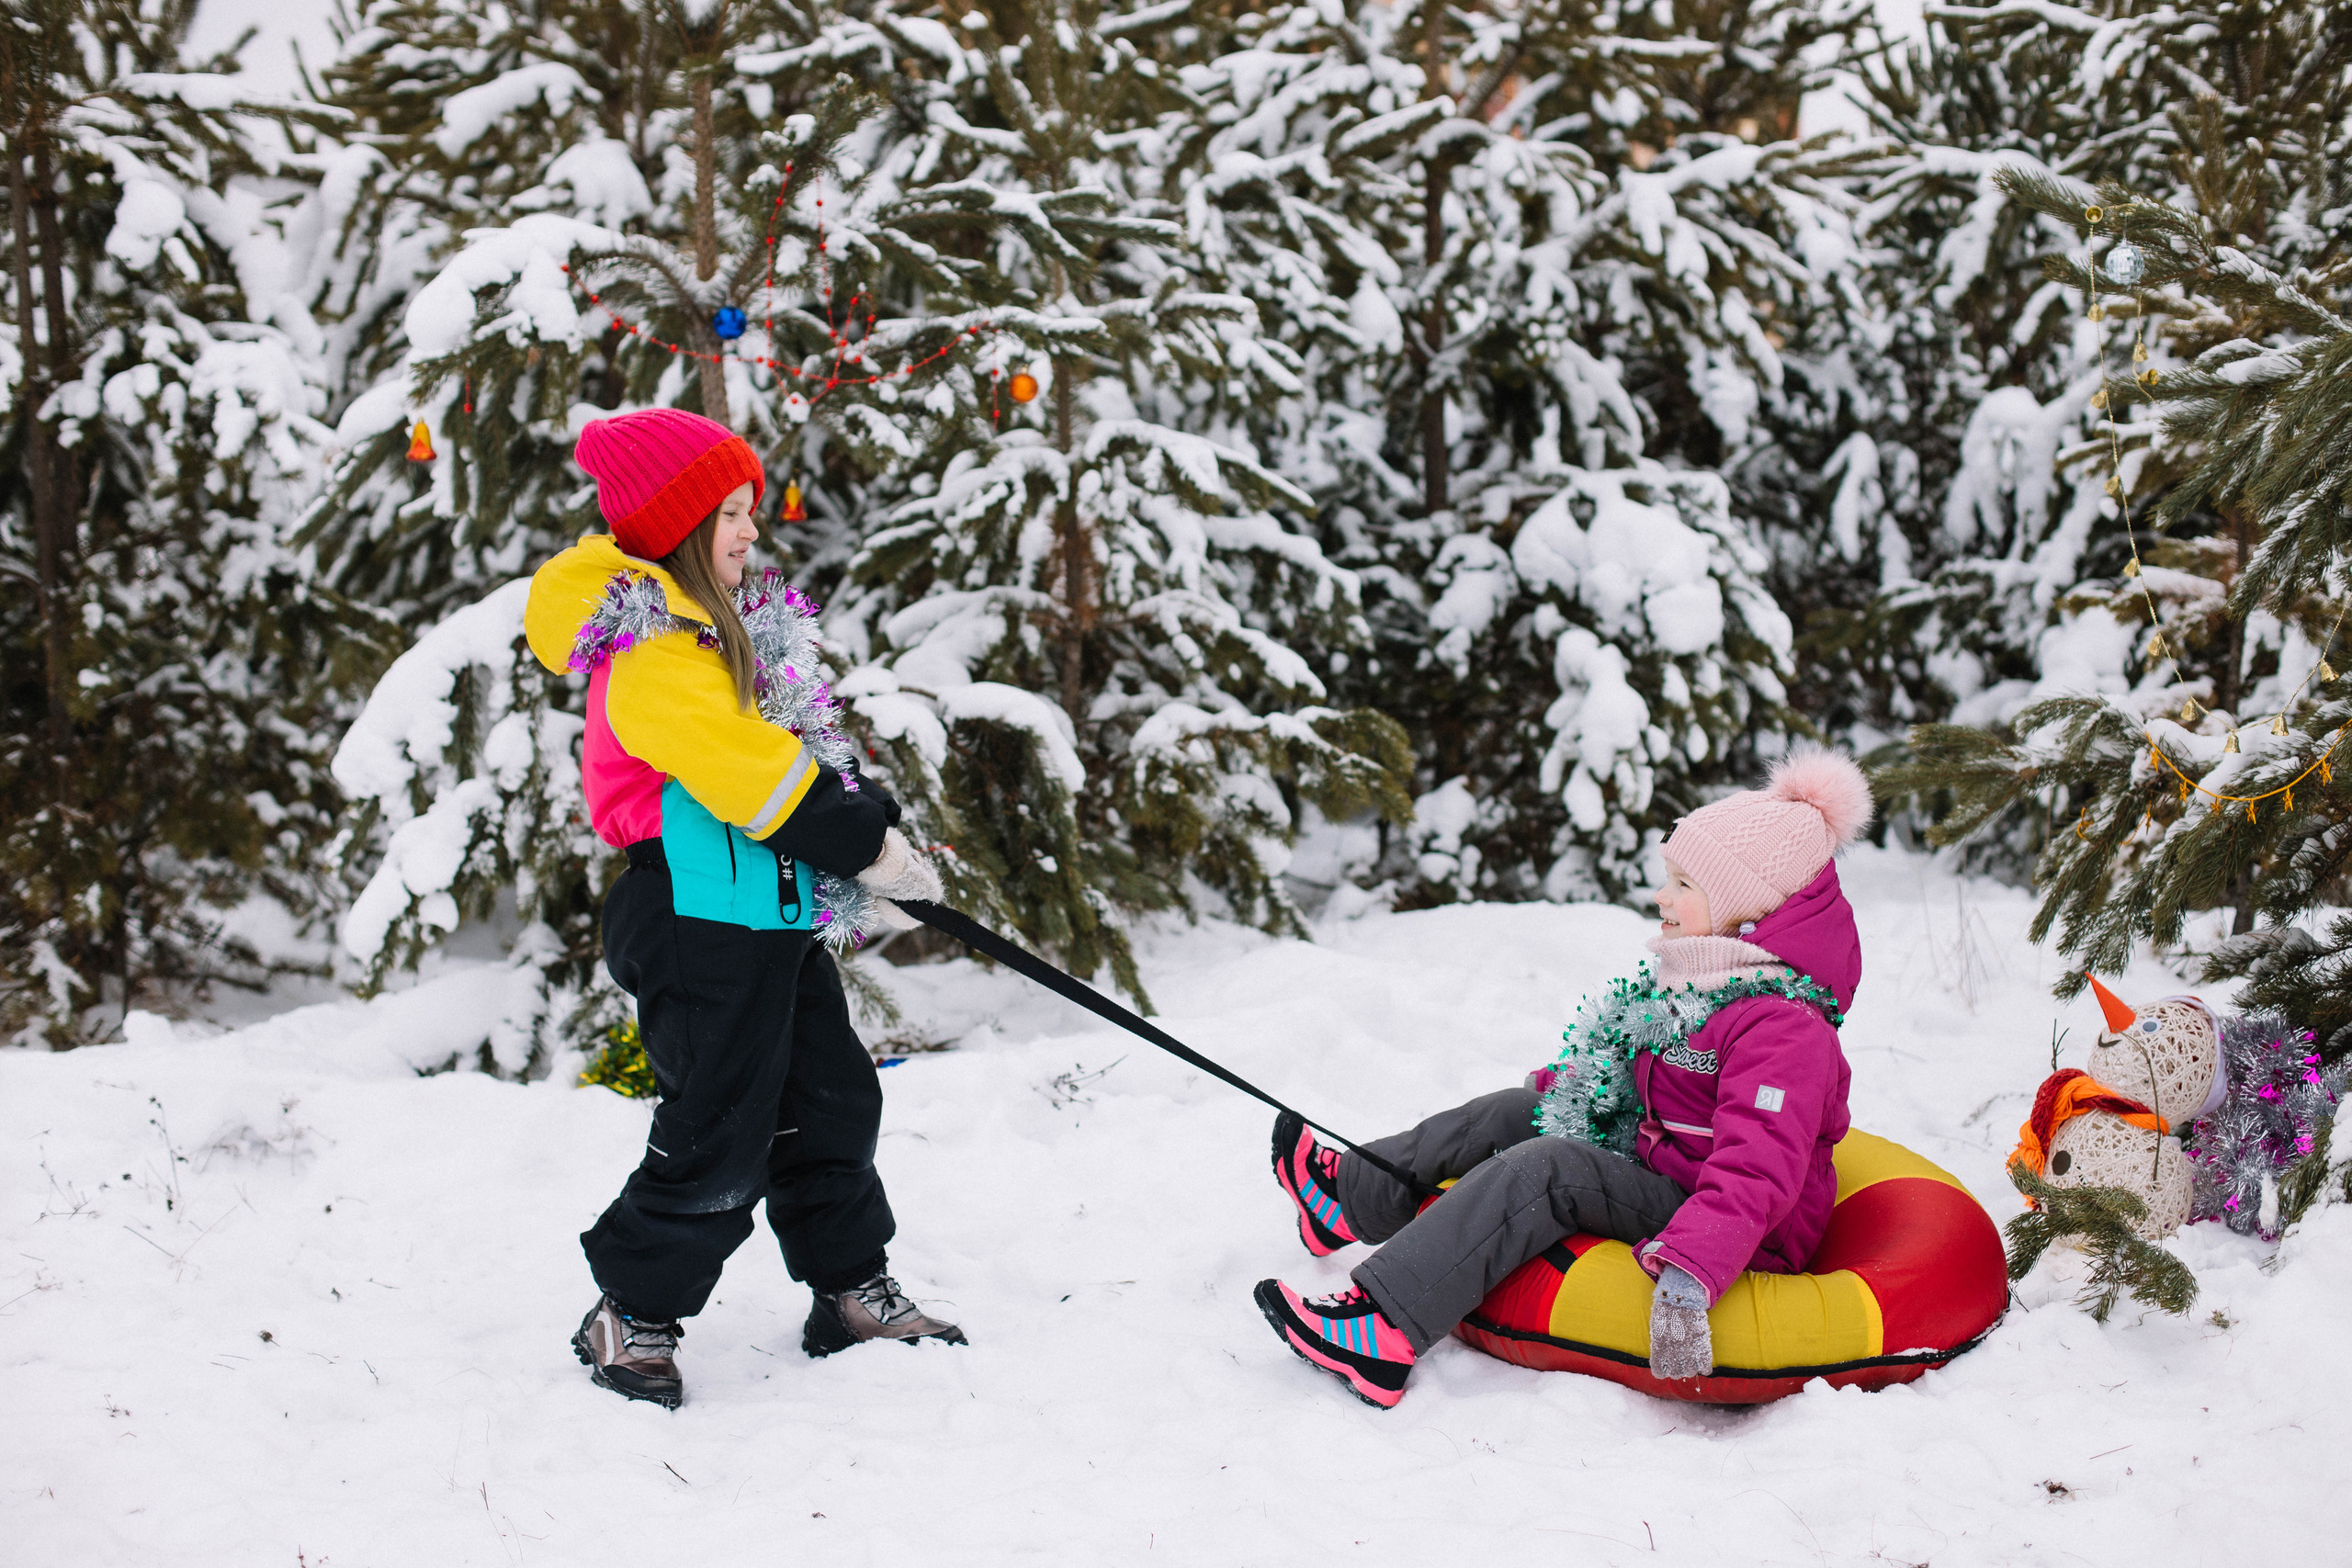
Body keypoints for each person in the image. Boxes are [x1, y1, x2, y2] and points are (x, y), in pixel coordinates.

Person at [522, 408, 961, 1410]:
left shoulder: (700, 624)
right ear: (674, 522)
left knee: (830, 1104)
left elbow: (777, 748)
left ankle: (848, 1287)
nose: (749, 532)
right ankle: (630, 1310)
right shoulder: (651, 643)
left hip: (760, 908)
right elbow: (738, 767)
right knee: (719, 1126)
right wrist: (859, 841)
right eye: (727, 512)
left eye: (749, 512)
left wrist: (864, 827)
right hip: (688, 916)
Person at [1255, 750, 1872, 1407]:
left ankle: (1381, 1326)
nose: (1662, 896)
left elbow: (1759, 1168)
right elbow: (1640, 1074)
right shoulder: (1712, 975)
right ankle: (1348, 1196)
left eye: (1686, 885)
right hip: (1671, 1162)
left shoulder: (1785, 1026)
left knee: (1548, 1168)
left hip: (1735, 1228)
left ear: (1745, 903)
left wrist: (1695, 1268)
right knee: (1514, 1112)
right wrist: (1569, 1086)